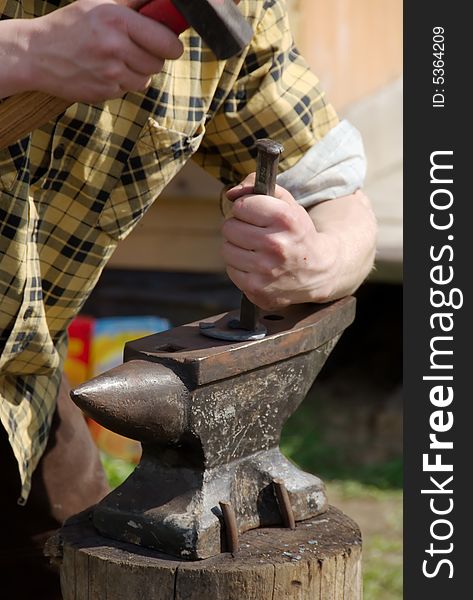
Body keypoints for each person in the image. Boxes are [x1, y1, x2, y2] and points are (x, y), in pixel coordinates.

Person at [0, 0, 377, 595]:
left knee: (95, 565)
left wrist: (312, 262)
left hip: (22, 387)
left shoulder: (237, 12)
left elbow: (340, 196)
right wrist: (17, 53)